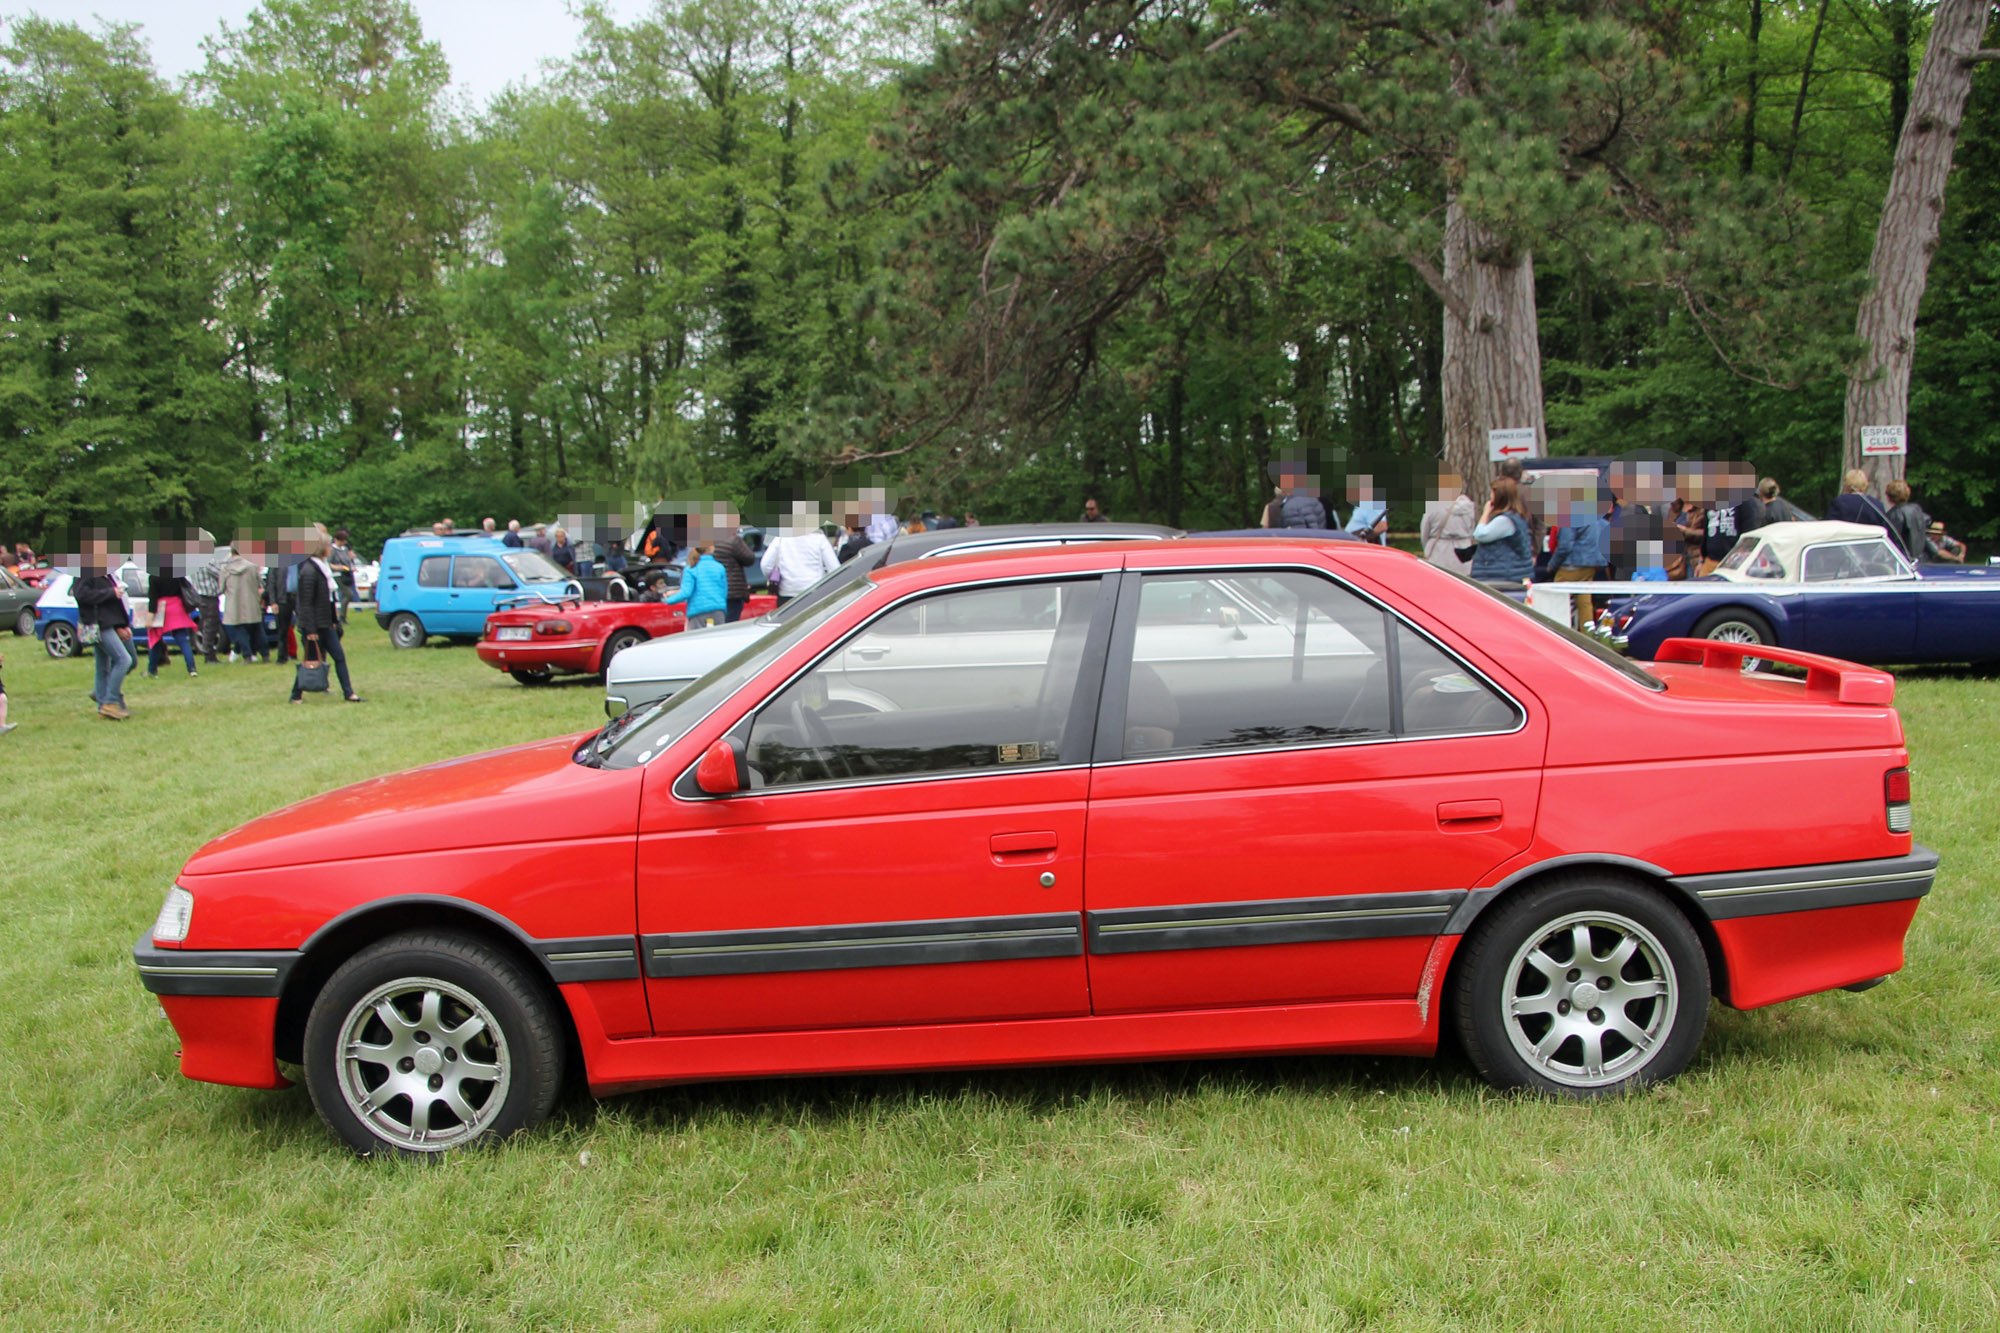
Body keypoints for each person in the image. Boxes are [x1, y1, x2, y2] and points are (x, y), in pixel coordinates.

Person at [291, 527, 365, 704]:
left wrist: (333, 620)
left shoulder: (323, 568)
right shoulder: (309, 571)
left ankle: (349, 693)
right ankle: (296, 695)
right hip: (314, 625)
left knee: (339, 656)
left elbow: (330, 599)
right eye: (328, 546)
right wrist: (310, 630)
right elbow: (306, 603)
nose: (331, 548)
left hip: (326, 623)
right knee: (311, 659)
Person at [74, 549, 135, 720]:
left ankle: (103, 705)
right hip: (97, 624)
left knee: (103, 667)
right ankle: (110, 701)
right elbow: (81, 594)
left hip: (106, 623)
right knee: (124, 660)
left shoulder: (105, 573)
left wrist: (122, 624)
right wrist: (110, 593)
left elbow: (112, 605)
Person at [1548, 496, 1611, 627]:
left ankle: (1558, 631)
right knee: (1584, 602)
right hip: (1591, 565)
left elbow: (1565, 546)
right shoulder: (1597, 519)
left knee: (1556, 599)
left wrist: (1552, 565)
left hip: (1571, 565)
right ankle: (1587, 633)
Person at [1469, 476, 1535, 585]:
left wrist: (1486, 512)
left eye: (1492, 493)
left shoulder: (1505, 520)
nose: (1490, 497)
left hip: (1501, 575)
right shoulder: (1517, 516)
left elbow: (1480, 534)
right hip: (1510, 572)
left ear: (1499, 496)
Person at [760, 514, 839, 605]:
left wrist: (774, 577)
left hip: (787, 592)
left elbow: (765, 565)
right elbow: (834, 568)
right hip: (814, 591)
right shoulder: (819, 539)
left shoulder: (781, 539)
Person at [145, 563, 198, 677]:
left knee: (155, 640)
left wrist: (149, 618)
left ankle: (152, 670)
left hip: (162, 609)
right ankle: (192, 669)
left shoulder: (154, 577)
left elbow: (153, 599)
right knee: (183, 640)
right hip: (177, 607)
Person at [1420, 472, 1478, 575]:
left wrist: (1427, 548)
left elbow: (1425, 531)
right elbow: (1472, 529)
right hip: (1463, 549)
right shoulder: (1468, 506)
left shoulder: (1433, 506)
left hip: (1439, 551)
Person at [662, 541, 729, 628]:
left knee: (700, 639)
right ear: (711, 548)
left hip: (698, 611)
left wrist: (667, 600)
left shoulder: (691, 568)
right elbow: (724, 590)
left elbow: (686, 592)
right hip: (718, 610)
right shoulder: (719, 567)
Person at [220, 542, 267, 662]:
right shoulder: (252, 566)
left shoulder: (225, 568)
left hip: (234, 602)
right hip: (251, 601)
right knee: (257, 629)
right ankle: (265, 654)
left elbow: (221, 588)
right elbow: (259, 583)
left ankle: (247, 655)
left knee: (240, 630)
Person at [1826, 468, 1896, 534]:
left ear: (1846, 485)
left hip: (1844, 543)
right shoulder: (1877, 505)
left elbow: (1830, 527)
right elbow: (1883, 530)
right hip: (1869, 544)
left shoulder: (1839, 502)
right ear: (1865, 484)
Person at [188, 544, 225, 663]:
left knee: (205, 625)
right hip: (209, 596)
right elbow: (221, 572)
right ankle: (209, 655)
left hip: (200, 596)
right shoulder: (207, 561)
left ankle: (207, 652)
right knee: (211, 625)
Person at [1883, 480, 1929, 564]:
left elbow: (1893, 542)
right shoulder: (1916, 510)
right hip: (1920, 559)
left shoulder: (1894, 515)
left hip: (1903, 561)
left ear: (1889, 497)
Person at [329, 529, 358, 626]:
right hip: (337, 575)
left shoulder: (344, 549)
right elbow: (329, 564)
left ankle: (342, 616)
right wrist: (338, 567)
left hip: (346, 574)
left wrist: (351, 567)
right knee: (349, 594)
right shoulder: (332, 549)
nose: (345, 542)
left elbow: (348, 561)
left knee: (347, 595)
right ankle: (341, 616)